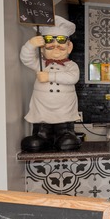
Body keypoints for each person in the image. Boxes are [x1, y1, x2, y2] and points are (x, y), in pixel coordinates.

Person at [20, 15, 81, 151]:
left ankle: (65, 135)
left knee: (66, 139)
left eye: (60, 47)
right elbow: (26, 59)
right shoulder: (40, 64)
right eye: (50, 47)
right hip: (43, 110)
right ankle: (41, 137)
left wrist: (49, 76)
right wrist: (30, 45)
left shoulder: (72, 66)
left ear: (69, 47)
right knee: (38, 137)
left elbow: (72, 77)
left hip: (64, 111)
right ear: (42, 49)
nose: (56, 51)